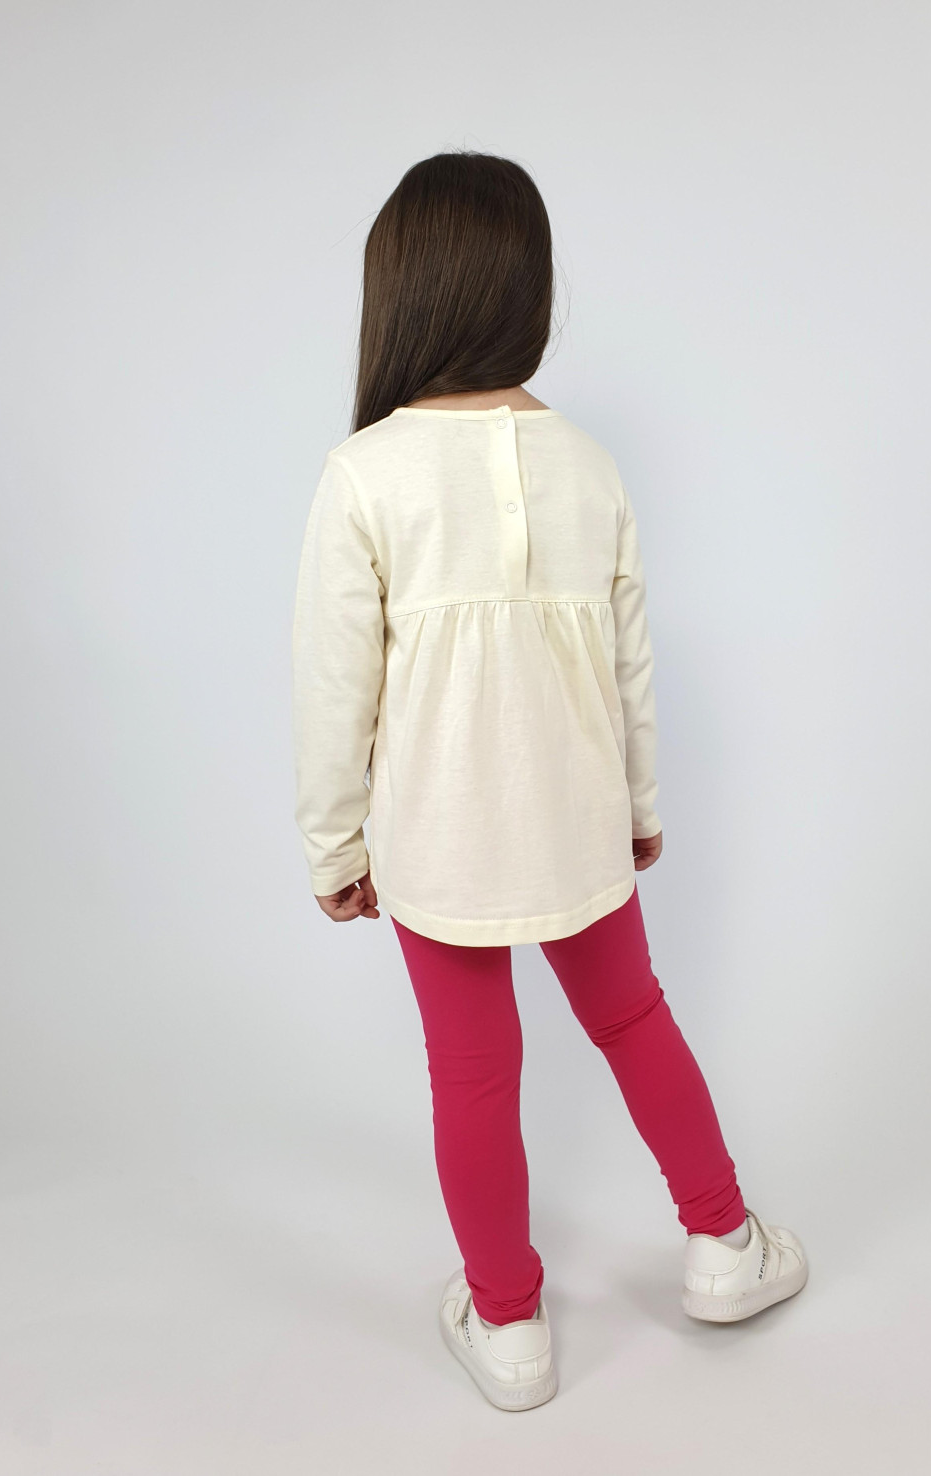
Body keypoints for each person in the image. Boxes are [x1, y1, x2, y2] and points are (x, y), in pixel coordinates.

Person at [291, 150, 807, 1412]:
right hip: (578, 823)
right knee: (633, 1019)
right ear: (529, 290)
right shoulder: (586, 463)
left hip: (439, 840)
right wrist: (638, 806)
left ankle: (509, 1323)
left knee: (471, 1070)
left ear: (402, 291)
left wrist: (335, 847)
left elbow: (331, 688)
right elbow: (629, 666)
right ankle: (722, 1243)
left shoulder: (364, 475)